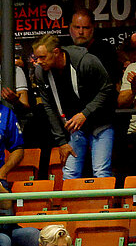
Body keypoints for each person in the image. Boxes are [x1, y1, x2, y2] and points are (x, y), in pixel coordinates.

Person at [28, 32, 119, 179]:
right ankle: (68, 203)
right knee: (70, 172)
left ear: (56, 52)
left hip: (101, 123)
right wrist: (61, 142)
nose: (38, 61)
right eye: (36, 57)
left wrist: (85, 113)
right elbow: (49, 107)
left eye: (42, 57)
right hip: (74, 127)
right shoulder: (41, 72)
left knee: (101, 170)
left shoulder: (86, 61)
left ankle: (103, 202)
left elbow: (107, 89)